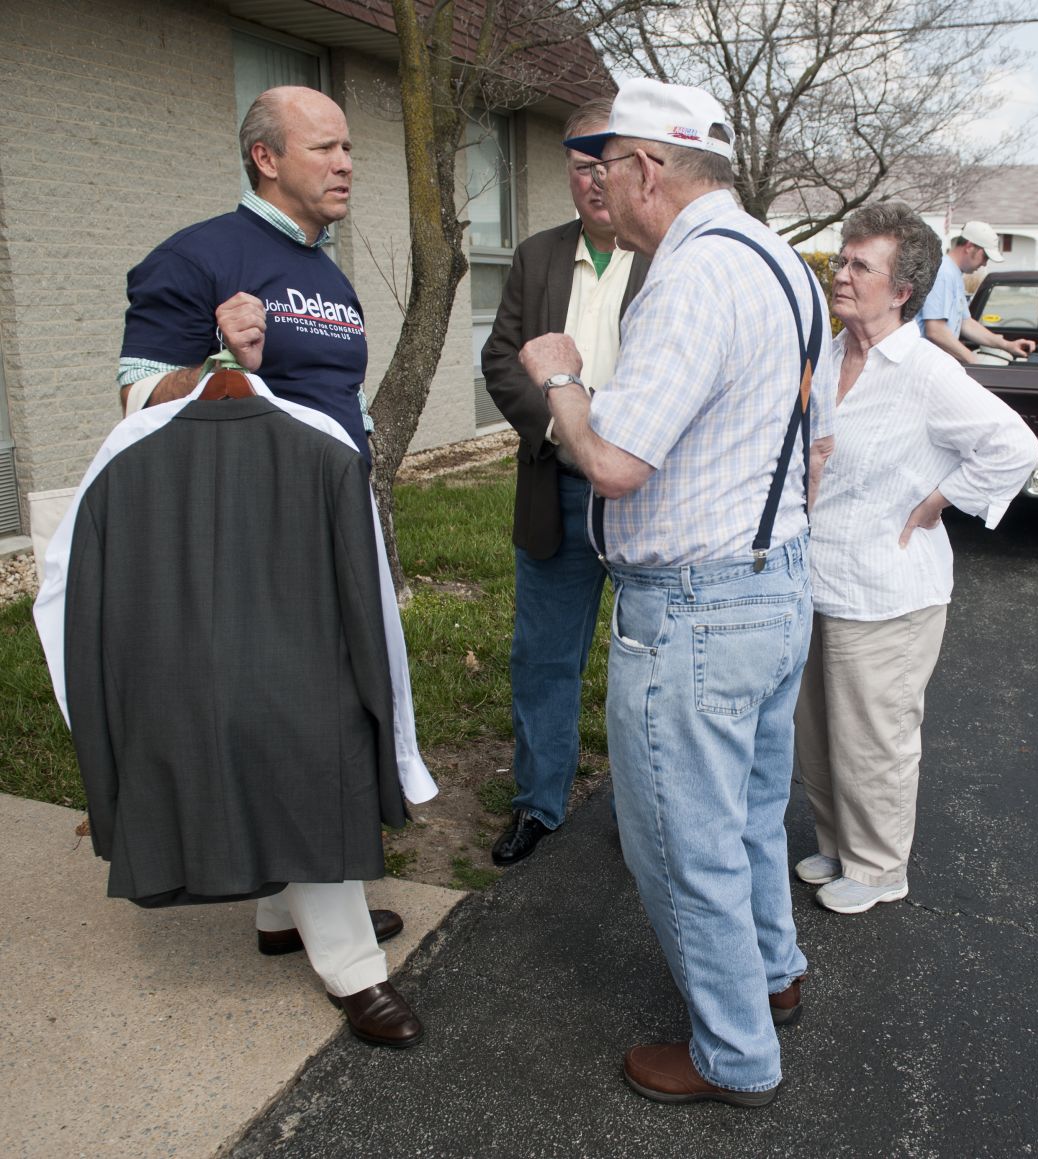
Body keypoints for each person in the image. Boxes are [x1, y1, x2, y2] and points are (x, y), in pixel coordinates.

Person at [518, 77, 835, 1108]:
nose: (597, 188)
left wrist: (560, 375)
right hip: (775, 581)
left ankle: (734, 1053)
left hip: (696, 607)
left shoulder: (694, 276)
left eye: (606, 168)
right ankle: (774, 974)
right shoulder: (786, 264)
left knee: (680, 844)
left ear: (650, 168)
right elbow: (807, 440)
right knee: (747, 813)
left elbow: (613, 463)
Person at [111, 86, 423, 1048]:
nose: (346, 163)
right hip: (250, 547)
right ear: (265, 159)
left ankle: (284, 914)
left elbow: (337, 397)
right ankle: (351, 966)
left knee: (342, 710)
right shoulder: (197, 257)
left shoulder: (324, 272)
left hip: (334, 523)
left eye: (348, 150)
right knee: (311, 723)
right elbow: (134, 405)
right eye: (325, 148)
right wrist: (218, 358)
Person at [792, 202, 1038, 915]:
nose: (840, 274)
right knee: (820, 729)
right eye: (841, 259)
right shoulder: (830, 354)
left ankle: (879, 865)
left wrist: (944, 498)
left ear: (902, 289)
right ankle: (839, 843)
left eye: (858, 265)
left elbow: (1014, 444)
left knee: (875, 733)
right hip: (819, 577)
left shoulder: (925, 369)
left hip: (889, 588)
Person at [481, 98, 650, 867]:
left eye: (603, 165)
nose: (591, 181)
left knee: (646, 661)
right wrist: (562, 430)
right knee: (544, 655)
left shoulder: (670, 255)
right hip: (559, 488)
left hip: (650, 492)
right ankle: (539, 803)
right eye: (579, 167)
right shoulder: (538, 256)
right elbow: (500, 359)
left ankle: (640, 810)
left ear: (634, 169)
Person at [916, 220, 1036, 365]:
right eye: (985, 256)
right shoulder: (943, 273)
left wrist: (1007, 345)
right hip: (924, 364)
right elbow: (935, 330)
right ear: (969, 246)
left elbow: (966, 323)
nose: (985, 263)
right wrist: (974, 361)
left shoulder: (954, 274)